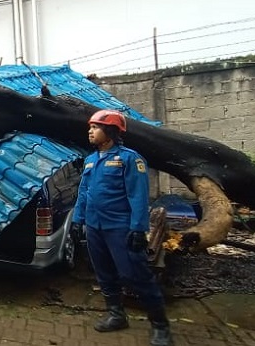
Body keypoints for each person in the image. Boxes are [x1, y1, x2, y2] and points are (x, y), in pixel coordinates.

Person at [71, 109, 172, 346]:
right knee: (104, 273)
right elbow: (84, 193)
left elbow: (138, 196)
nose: (90, 131)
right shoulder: (90, 160)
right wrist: (78, 220)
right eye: (90, 127)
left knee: (134, 275)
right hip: (95, 227)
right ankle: (116, 315)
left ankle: (160, 326)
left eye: (95, 127)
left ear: (111, 132)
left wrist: (139, 228)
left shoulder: (130, 159)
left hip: (120, 228)